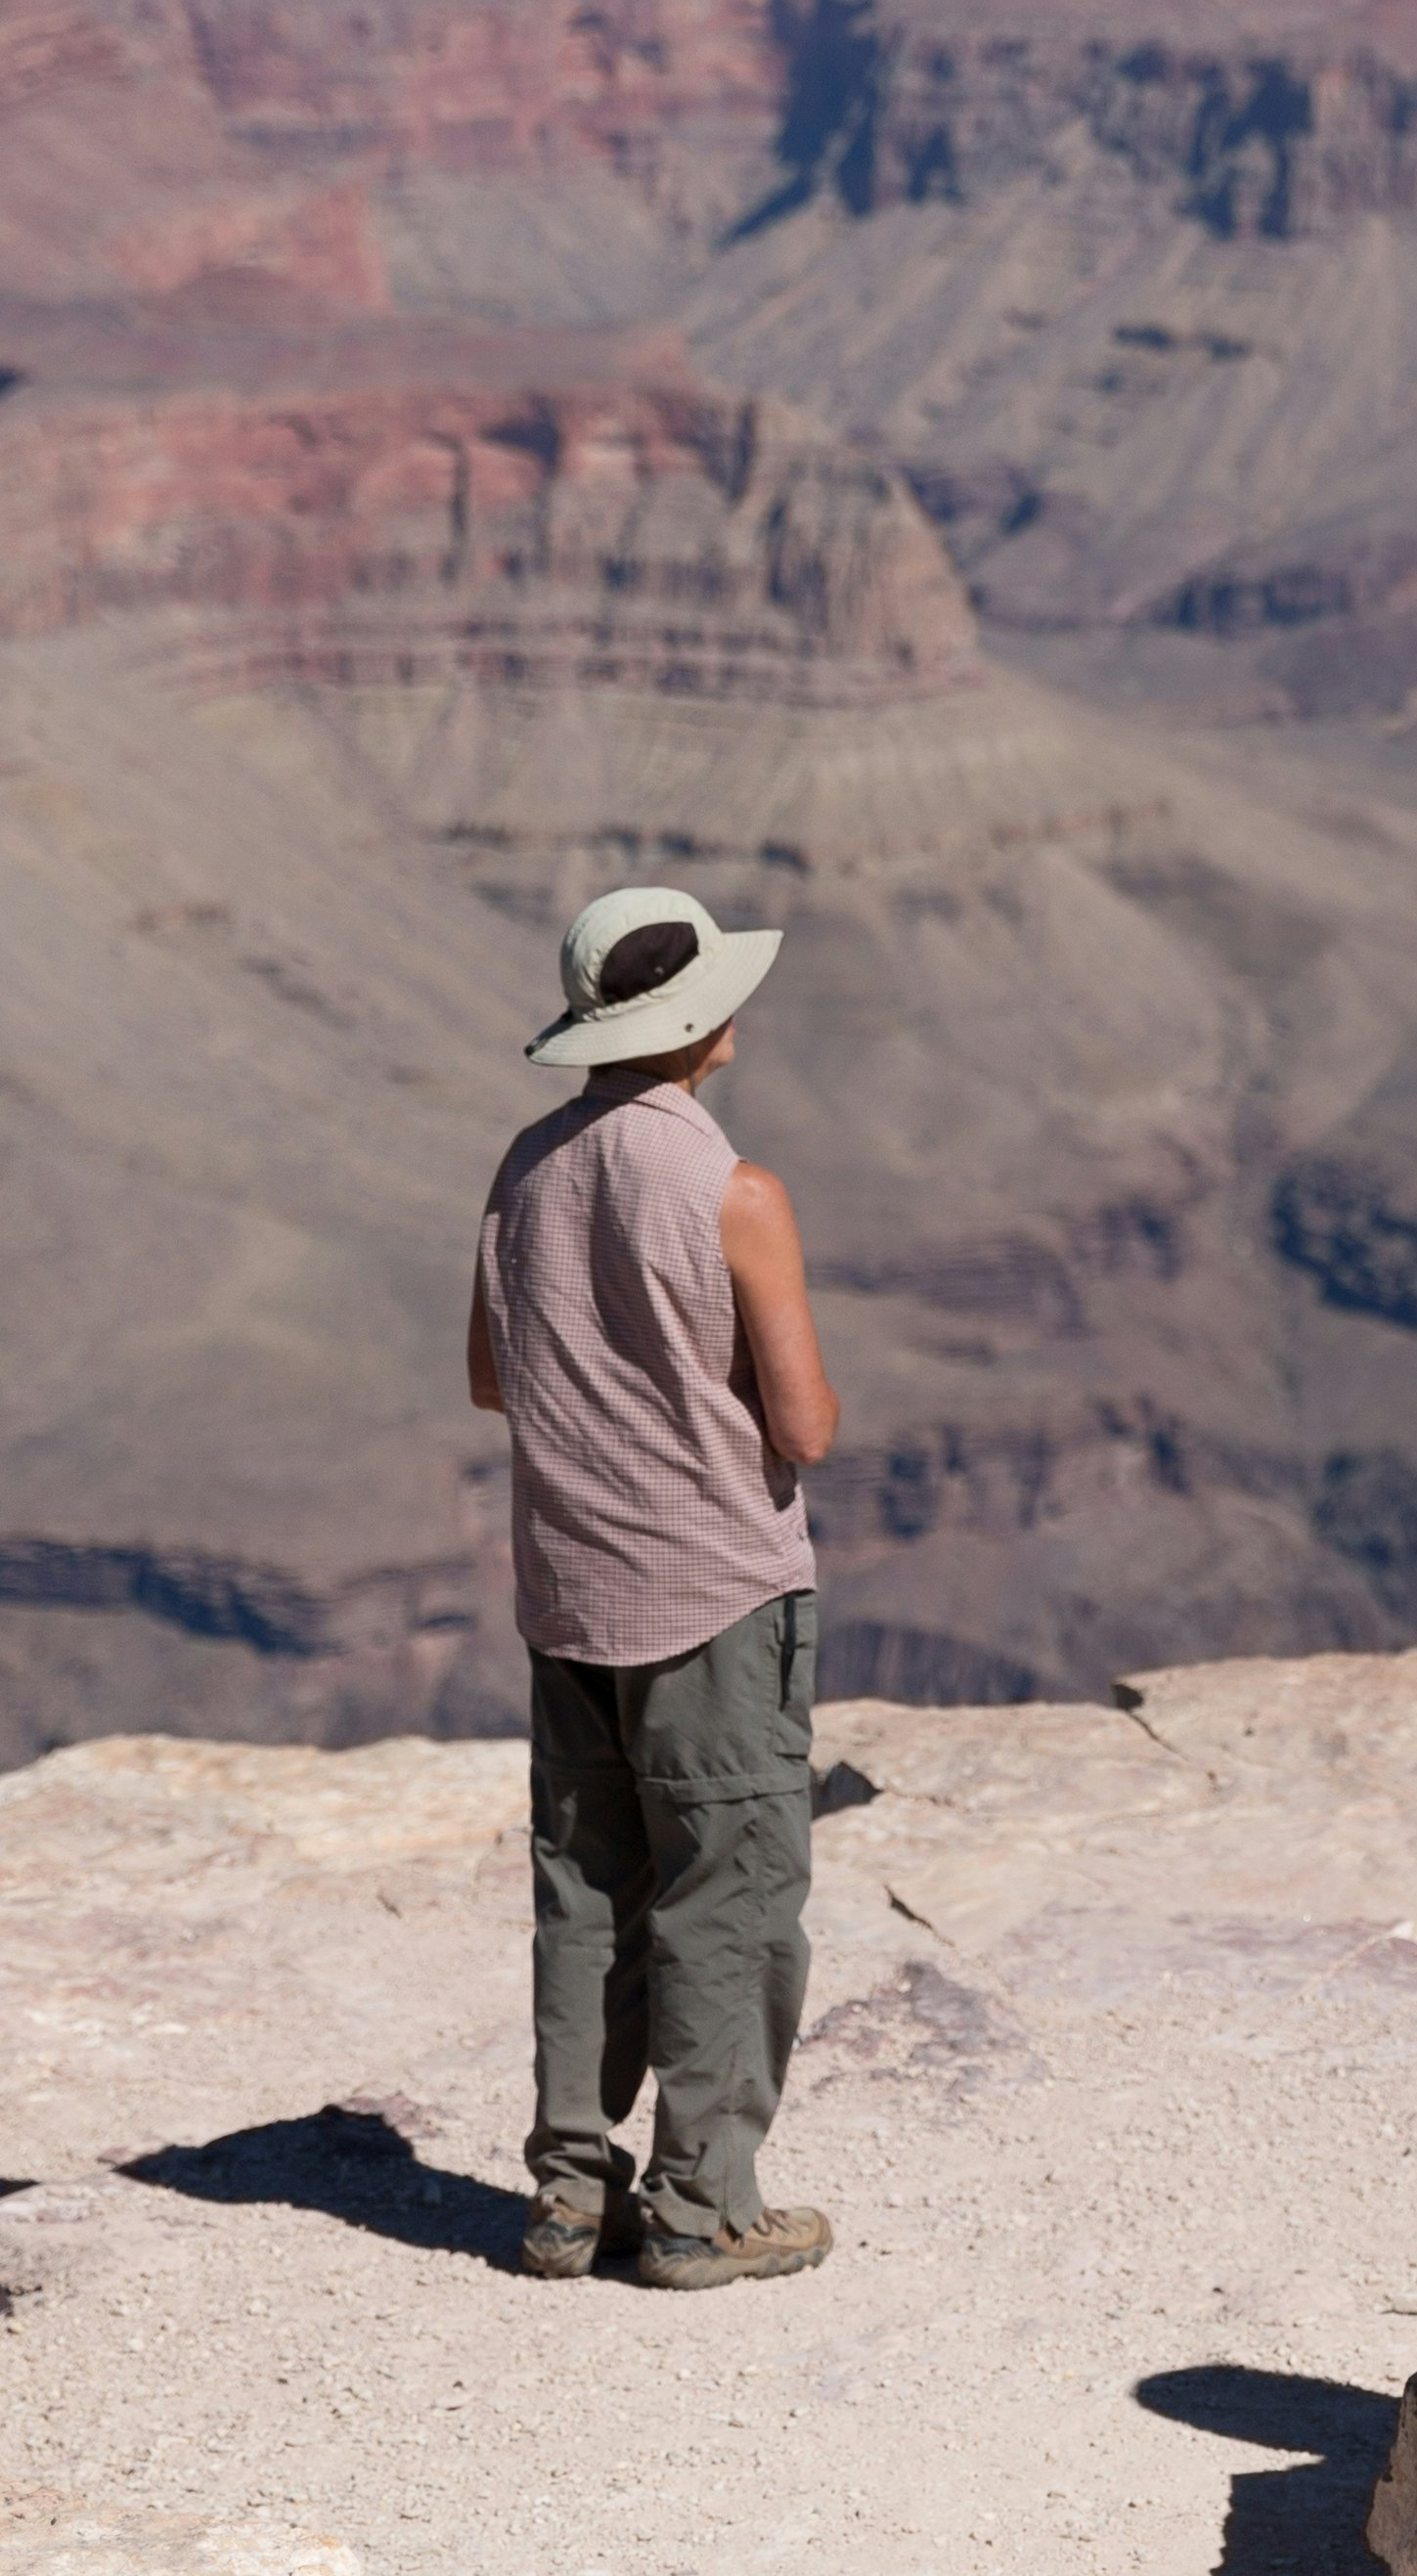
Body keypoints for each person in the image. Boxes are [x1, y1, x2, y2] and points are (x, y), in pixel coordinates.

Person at [466, 883, 844, 2288]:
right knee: (727, 1896)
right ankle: (702, 2212)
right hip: (716, 1601)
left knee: (584, 1892)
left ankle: (568, 2196)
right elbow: (801, 1428)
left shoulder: (523, 1170)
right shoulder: (736, 1193)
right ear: (703, 1024)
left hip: (569, 1595)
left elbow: (489, 1377)